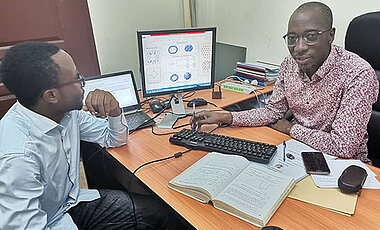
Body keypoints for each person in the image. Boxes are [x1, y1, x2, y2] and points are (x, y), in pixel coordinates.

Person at [0, 42, 180, 229]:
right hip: (50, 222)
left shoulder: (66, 114)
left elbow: (114, 138)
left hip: (69, 204)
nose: (83, 83)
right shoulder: (17, 157)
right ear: (51, 95)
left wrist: (114, 110)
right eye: (76, 78)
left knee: (157, 211)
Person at [192, 2, 379, 163]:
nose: (299, 47)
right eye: (292, 38)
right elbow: (273, 111)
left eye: (311, 36)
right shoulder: (289, 65)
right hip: (295, 151)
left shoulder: (358, 73)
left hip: (342, 165)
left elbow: (343, 146)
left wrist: (291, 129)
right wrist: (227, 117)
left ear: (331, 35)